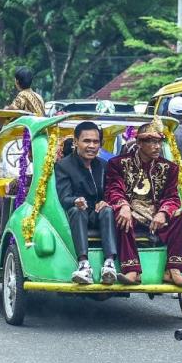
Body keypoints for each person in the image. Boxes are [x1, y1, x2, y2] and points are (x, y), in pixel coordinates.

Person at [105, 119, 182, 287]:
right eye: (151, 141)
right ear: (139, 143)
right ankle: (132, 270)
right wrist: (123, 206)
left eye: (159, 141)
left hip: (156, 216)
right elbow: (113, 190)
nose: (157, 146)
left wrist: (163, 212)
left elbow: (172, 197)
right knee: (121, 216)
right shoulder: (118, 164)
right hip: (131, 213)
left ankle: (173, 270)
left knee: (181, 215)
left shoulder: (169, 168)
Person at [55, 121, 118, 285]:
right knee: (77, 210)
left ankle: (109, 263)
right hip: (77, 215)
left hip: (99, 215)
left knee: (108, 210)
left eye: (95, 142)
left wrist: (106, 201)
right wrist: (76, 200)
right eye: (86, 141)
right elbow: (64, 197)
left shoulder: (104, 165)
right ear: (76, 142)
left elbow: (113, 191)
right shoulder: (63, 166)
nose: (91, 146)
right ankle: (83, 264)